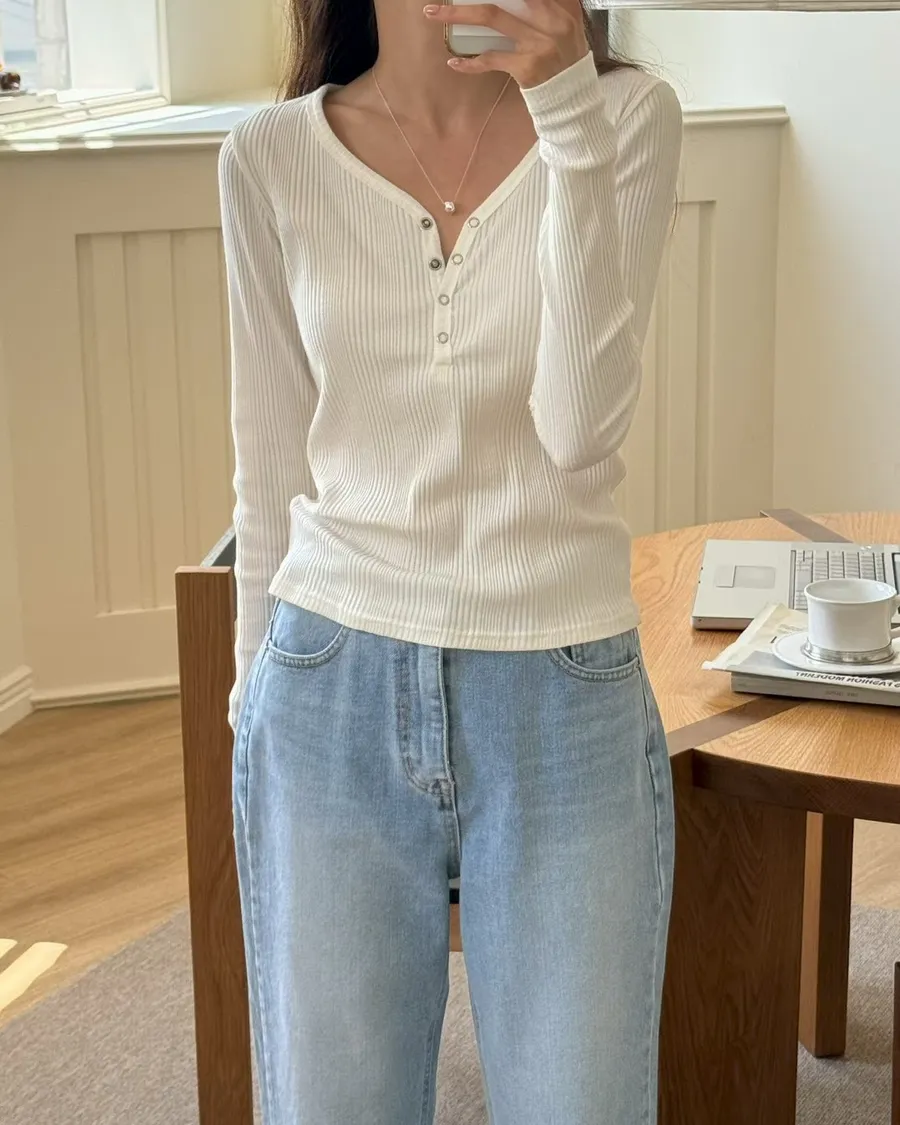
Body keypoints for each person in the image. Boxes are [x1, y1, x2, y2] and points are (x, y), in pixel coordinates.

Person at [219, 1, 682, 1122]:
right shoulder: (270, 155)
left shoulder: (626, 115)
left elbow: (578, 429)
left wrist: (566, 113)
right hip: (326, 684)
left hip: (561, 690)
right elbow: (268, 456)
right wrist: (253, 706)